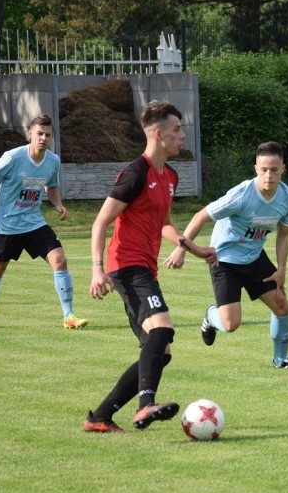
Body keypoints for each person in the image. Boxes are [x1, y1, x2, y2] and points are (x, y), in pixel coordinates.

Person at [84, 100, 215, 434]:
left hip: (145, 268)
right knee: (163, 330)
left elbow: (164, 223)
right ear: (159, 134)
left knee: (160, 351)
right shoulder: (135, 173)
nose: (182, 136)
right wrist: (97, 269)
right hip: (126, 266)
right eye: (176, 130)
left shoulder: (170, 176)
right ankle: (145, 406)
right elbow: (101, 222)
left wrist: (192, 247)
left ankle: (99, 417)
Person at [166, 141, 288, 370]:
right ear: (255, 169)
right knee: (230, 324)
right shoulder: (241, 195)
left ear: (283, 168)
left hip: (254, 257)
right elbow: (201, 216)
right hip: (224, 261)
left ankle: (281, 360)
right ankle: (211, 316)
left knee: (282, 306)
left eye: (274, 169)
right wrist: (182, 249)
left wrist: (281, 269)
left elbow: (284, 233)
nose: (268, 175)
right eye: (263, 169)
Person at [0, 114, 87, 331]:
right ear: (30, 134)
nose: (43, 138)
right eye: (39, 134)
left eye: (48, 135)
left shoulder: (53, 161)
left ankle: (69, 316)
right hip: (7, 224)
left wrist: (58, 204)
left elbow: (51, 186)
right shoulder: (13, 157)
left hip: (34, 222)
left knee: (60, 260)